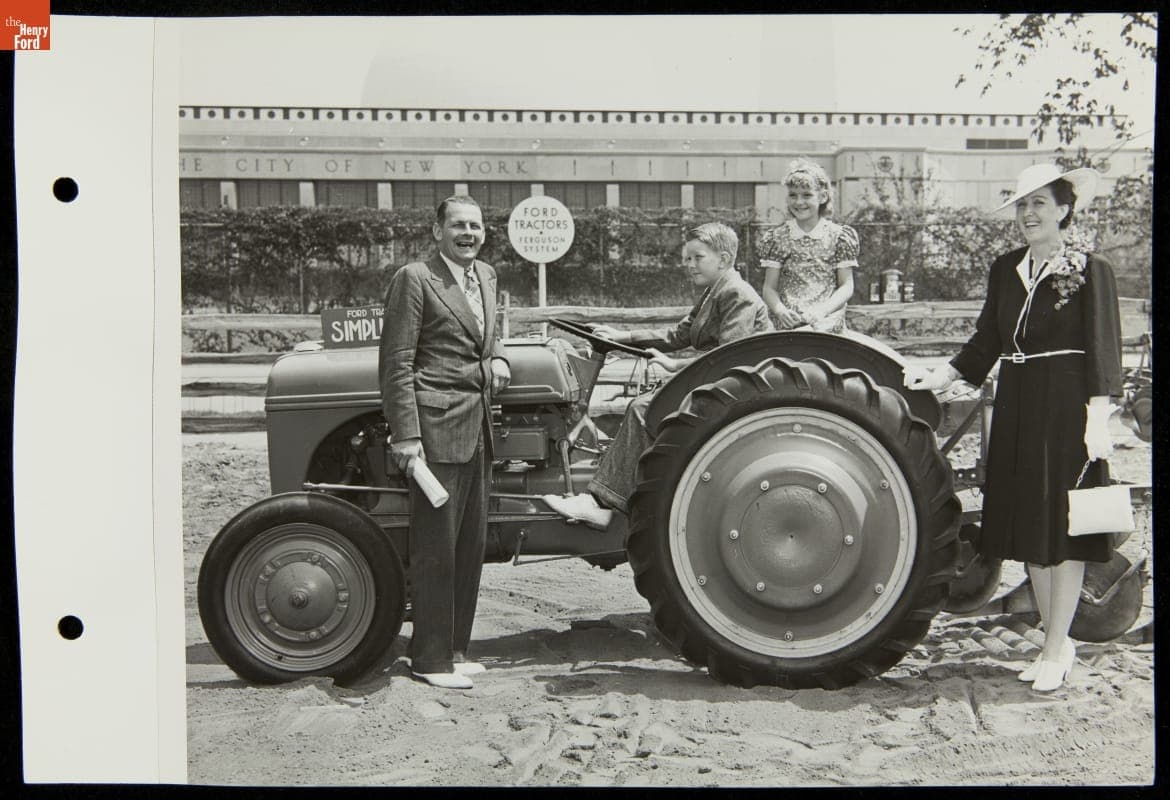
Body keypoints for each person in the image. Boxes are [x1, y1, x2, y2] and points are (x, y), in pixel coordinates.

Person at [904, 163, 1122, 693]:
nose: (1027, 214)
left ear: (1065, 210)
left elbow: (1104, 345)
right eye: (1021, 205)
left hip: (1068, 405)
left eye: (1038, 204)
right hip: (1019, 402)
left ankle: (1054, 647)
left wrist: (1098, 416)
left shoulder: (1092, 268)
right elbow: (986, 341)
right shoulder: (1006, 269)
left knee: (1063, 532)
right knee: (1030, 528)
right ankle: (1058, 639)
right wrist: (943, 374)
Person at [543, 222, 773, 529]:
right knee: (643, 404)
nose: (688, 265)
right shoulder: (714, 291)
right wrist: (622, 337)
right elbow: (677, 334)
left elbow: (728, 356)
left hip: (732, 389)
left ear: (724, 258)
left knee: (643, 409)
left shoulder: (735, 293)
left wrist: (675, 366)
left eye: (697, 257)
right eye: (687, 258)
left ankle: (601, 502)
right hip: (717, 383)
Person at [379, 195, 511, 690]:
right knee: (436, 549)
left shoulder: (487, 276)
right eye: (458, 225)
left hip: (477, 427)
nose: (469, 233)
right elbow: (397, 363)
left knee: (468, 545)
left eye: (476, 226)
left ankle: (454, 649)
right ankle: (429, 660)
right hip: (433, 431)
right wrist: (407, 435)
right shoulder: (414, 278)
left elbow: (484, 332)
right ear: (437, 231)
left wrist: (496, 355)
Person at [760, 158, 859, 333]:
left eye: (807, 195)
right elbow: (769, 288)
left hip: (825, 319)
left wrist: (822, 311)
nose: (799, 202)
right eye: (793, 195)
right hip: (788, 319)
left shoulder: (838, 236)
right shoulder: (778, 237)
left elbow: (846, 285)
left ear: (823, 196)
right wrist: (781, 311)